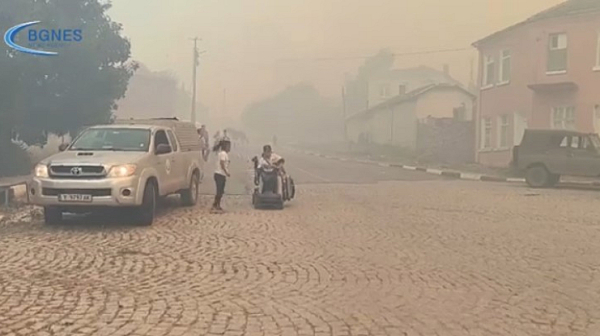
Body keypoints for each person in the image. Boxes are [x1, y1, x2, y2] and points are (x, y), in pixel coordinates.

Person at [211, 139, 231, 212]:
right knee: (219, 191)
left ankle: (216, 204)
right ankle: (215, 205)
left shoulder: (224, 154)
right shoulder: (223, 154)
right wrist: (226, 172)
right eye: (229, 146)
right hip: (220, 174)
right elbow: (222, 164)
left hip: (221, 175)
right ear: (225, 146)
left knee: (221, 190)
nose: (230, 148)